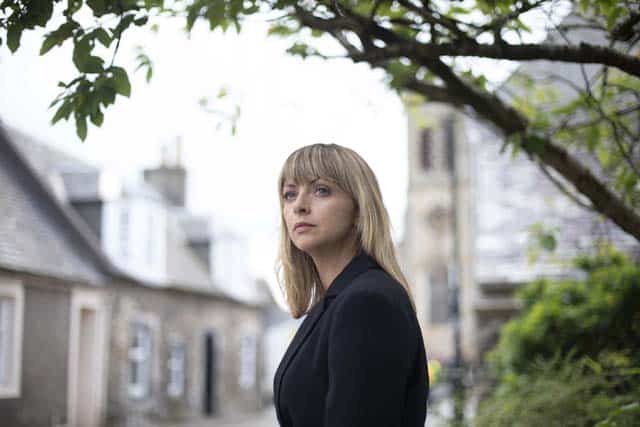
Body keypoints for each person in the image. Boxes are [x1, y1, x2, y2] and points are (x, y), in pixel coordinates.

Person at [272, 143, 429, 427]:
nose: (299, 205)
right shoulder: (335, 303)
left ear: (359, 209)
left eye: (321, 190)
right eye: (289, 194)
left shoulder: (367, 303)